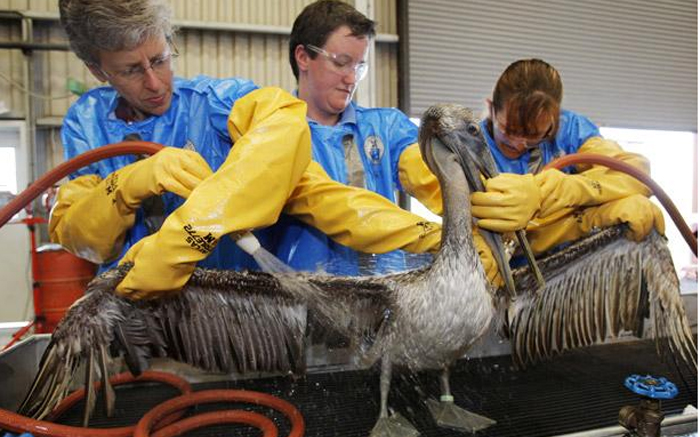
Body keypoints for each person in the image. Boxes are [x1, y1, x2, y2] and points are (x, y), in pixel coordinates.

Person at [50, 0, 442, 300]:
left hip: (233, 314)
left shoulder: (217, 104)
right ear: (98, 70)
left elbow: (315, 181)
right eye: (131, 70)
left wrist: (442, 235)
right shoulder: (87, 123)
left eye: (160, 59)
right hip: (136, 313)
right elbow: (84, 239)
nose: (154, 82)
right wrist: (128, 183)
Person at [277, 0, 498, 278]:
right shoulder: (278, 132)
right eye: (342, 63)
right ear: (303, 57)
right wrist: (431, 235)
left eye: (359, 67)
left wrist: (484, 205)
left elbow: (426, 173)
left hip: (385, 298)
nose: (351, 79)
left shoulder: (385, 127)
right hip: (303, 302)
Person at [405, 58, 665, 273]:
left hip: (566, 265)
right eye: (509, 130)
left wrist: (557, 190)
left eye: (534, 135)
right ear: (491, 109)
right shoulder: (469, 145)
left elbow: (634, 173)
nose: (519, 143)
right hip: (503, 270)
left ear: (555, 119)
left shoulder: (572, 130)